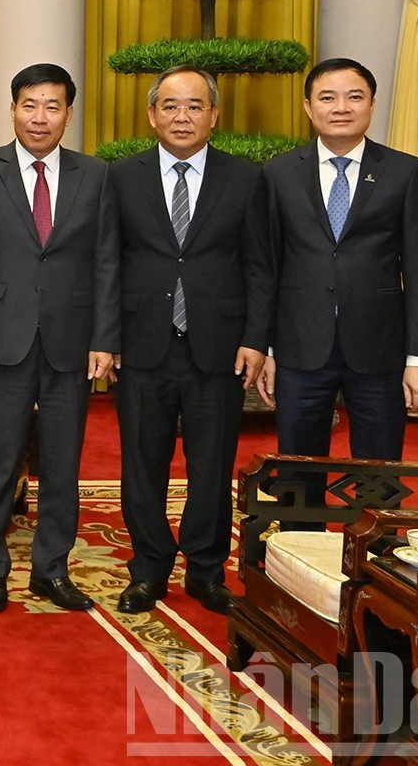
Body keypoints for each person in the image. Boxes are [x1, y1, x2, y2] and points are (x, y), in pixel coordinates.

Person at [110, 66, 271, 615]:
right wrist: (105, 340)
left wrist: (256, 339)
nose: (183, 116)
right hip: (141, 343)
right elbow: (107, 263)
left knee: (212, 465)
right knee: (141, 464)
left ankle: (206, 570)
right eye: (171, 106)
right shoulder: (121, 177)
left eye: (195, 106)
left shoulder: (246, 179)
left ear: (214, 115)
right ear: (152, 114)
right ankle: (149, 567)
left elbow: (259, 266)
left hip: (218, 346)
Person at [0, 64, 119, 613]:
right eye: (29, 105)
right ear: (12, 109)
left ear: (69, 114)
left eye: (53, 107)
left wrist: (104, 337)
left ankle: (51, 568)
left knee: (62, 465)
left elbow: (106, 262)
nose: (40, 117)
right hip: (1, 339)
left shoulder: (96, 175)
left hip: (70, 343)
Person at [257, 58, 418, 464]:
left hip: (379, 348)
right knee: (299, 468)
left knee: (378, 468)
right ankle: (298, 531)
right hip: (299, 347)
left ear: (373, 104)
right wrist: (266, 347)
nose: (341, 107)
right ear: (308, 107)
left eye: (354, 96)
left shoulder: (404, 172)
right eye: (327, 97)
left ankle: (377, 531)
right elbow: (267, 266)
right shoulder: (279, 173)